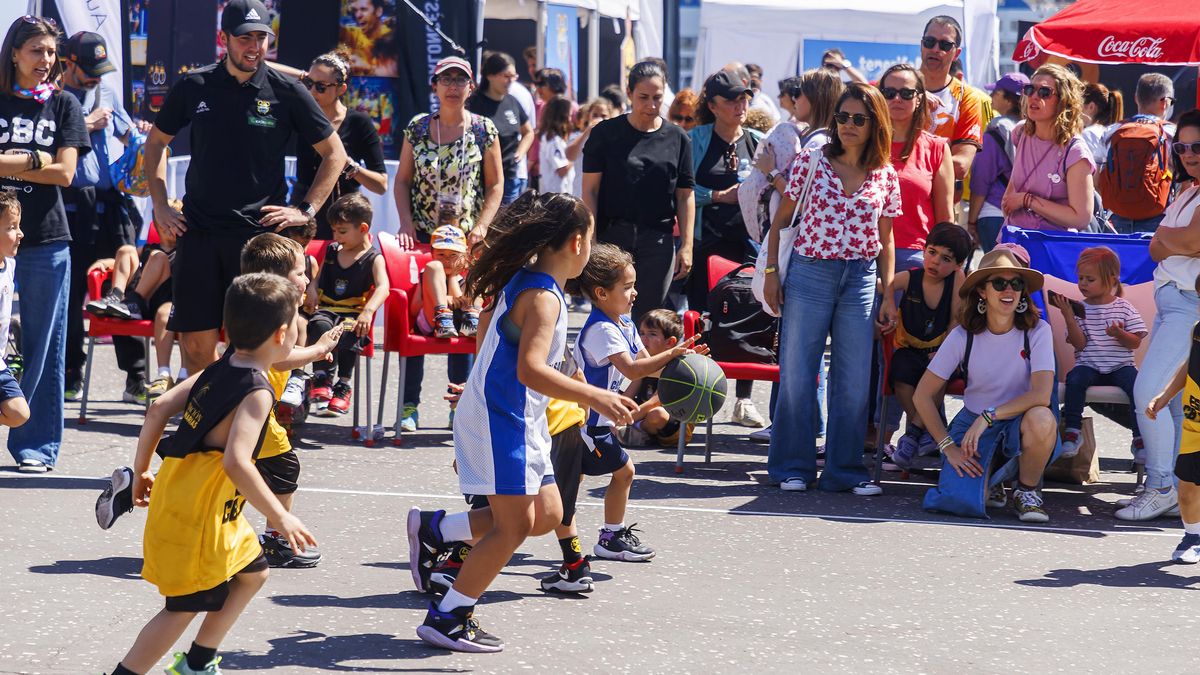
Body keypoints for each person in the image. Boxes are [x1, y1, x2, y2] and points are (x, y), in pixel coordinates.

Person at [406, 191, 638, 653]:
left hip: (522, 416)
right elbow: (530, 370)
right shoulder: (543, 297)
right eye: (591, 239)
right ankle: (450, 616)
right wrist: (594, 395)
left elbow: (495, 336)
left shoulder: (534, 281)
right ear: (576, 243)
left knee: (548, 513)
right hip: (503, 416)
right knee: (511, 528)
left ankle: (436, 529)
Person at [106, 273, 317, 675]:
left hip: (197, 500)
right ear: (282, 335)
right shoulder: (257, 392)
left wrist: (143, 471)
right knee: (184, 607)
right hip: (199, 514)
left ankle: (198, 662)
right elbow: (236, 461)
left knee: (253, 574)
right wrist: (280, 516)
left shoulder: (222, 366)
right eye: (296, 328)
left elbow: (158, 408)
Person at [145, 0, 347, 376]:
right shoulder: (194, 85)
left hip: (259, 239)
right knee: (196, 346)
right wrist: (160, 205)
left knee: (257, 345)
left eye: (261, 38)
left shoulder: (287, 90)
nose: (254, 47)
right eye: (244, 38)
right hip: (199, 231)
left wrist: (305, 210)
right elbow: (156, 143)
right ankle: (207, 411)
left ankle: (250, 412)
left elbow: (335, 154)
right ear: (224, 39)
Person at [762, 83, 901, 495]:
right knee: (798, 373)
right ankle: (792, 466)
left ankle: (845, 470)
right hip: (810, 272)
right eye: (842, 117)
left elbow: (887, 239)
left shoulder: (885, 173)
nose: (848, 125)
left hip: (861, 278)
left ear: (875, 123)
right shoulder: (812, 160)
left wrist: (888, 293)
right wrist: (771, 272)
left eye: (859, 118)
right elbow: (781, 220)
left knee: (854, 380)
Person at [569, 243, 702, 561]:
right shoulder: (602, 329)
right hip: (585, 425)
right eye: (627, 287)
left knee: (565, 487)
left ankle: (603, 537)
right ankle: (608, 537)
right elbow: (631, 369)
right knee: (622, 471)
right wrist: (671, 354)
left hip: (597, 425)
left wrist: (686, 364)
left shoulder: (625, 323)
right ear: (601, 293)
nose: (635, 293)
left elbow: (647, 364)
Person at [0, 15, 89, 473]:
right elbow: (50, 166)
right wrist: (37, 158)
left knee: (44, 345)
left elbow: (66, 173)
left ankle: (35, 446)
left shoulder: (64, 104)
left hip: (47, 240)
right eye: (36, 50)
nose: (46, 59)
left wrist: (8, 162)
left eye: (52, 52)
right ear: (14, 52)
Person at [395, 55, 500, 432]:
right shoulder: (418, 127)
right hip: (425, 237)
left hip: (467, 240)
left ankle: (460, 405)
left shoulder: (483, 129)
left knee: (463, 315)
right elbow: (403, 180)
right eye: (446, 79)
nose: (453, 86)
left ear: (471, 87)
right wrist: (406, 223)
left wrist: (483, 227)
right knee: (421, 317)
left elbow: (495, 185)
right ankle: (409, 406)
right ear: (435, 86)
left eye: (460, 80)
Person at [915, 246, 1058, 522]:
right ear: (982, 290)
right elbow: (922, 395)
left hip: (1018, 422)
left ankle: (1027, 492)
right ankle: (992, 482)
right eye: (999, 283)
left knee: (1042, 418)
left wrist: (989, 416)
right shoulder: (962, 335)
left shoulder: (1039, 330)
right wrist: (947, 446)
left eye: (1016, 283)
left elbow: (1041, 395)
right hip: (972, 426)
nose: (1009, 290)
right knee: (959, 502)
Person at [60, 30, 151, 404]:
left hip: (112, 206)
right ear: (69, 63)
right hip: (70, 208)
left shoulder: (107, 93)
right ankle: (70, 373)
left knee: (123, 290)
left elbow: (127, 132)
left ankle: (136, 377)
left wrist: (141, 136)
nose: (96, 78)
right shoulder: (54, 96)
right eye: (89, 70)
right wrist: (85, 123)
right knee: (70, 297)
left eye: (101, 69)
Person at [582, 60, 695, 321]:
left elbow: (685, 195)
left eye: (657, 97)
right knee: (608, 316)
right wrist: (591, 240)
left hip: (658, 241)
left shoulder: (678, 138)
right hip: (613, 238)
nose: (651, 105)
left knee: (649, 318)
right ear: (629, 93)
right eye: (643, 97)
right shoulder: (605, 134)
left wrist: (687, 245)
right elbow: (590, 191)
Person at [1130, 109, 1200, 521]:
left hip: (1188, 305)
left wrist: (1172, 239)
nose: (1189, 154)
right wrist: (1176, 240)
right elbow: (1159, 247)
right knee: (1170, 402)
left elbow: (1188, 240)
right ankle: (1172, 489)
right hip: (1171, 302)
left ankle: (1159, 486)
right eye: (1183, 146)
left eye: (1198, 146)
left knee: (1149, 392)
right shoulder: (1187, 191)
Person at [688, 70, 765, 427]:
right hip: (706, 245)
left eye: (744, 98)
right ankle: (699, 394)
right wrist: (717, 195)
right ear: (713, 105)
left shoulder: (757, 142)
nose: (740, 105)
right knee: (703, 320)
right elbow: (681, 190)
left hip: (748, 246)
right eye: (732, 100)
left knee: (749, 319)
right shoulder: (694, 140)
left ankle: (744, 401)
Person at [270, 49, 387, 241]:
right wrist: (303, 75)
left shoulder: (359, 122)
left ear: (341, 89)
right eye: (309, 84)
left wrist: (349, 166)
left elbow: (381, 185)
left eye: (321, 87)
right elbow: (262, 66)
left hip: (345, 215)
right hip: (304, 210)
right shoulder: (303, 115)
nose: (312, 92)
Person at [882, 222, 970, 469]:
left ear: (958, 265)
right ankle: (927, 431)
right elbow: (885, 284)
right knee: (900, 371)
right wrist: (888, 300)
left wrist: (944, 352)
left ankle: (913, 436)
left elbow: (955, 320)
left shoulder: (957, 279)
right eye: (932, 252)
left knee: (939, 371)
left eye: (946, 259)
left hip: (943, 350)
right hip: (911, 350)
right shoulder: (911, 277)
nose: (935, 262)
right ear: (924, 249)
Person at [1053, 246, 1146, 459]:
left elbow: (1135, 342)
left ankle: (1140, 438)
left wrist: (1119, 334)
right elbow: (1079, 344)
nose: (1083, 283)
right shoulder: (1079, 309)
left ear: (1111, 280)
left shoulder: (1124, 307)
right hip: (1089, 365)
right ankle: (1073, 431)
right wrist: (1068, 317)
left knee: (1137, 386)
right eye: (1081, 278)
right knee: (1075, 379)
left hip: (1121, 366)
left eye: (1090, 279)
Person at [304, 193, 388, 416]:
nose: (336, 236)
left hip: (352, 313)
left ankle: (343, 384)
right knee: (319, 325)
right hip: (326, 310)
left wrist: (368, 311)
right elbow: (317, 279)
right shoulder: (332, 251)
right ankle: (321, 377)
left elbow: (384, 287)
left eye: (342, 231)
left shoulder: (374, 258)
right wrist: (311, 288)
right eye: (333, 231)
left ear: (362, 228)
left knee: (350, 331)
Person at [84, 220, 179, 400]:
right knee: (126, 250)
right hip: (130, 305)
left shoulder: (183, 251)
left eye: (175, 224)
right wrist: (106, 262)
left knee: (159, 258)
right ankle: (116, 296)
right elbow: (122, 261)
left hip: (161, 303)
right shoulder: (149, 249)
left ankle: (133, 303)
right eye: (165, 224)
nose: (169, 228)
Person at [1001, 64, 1095, 233]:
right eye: (1030, 89)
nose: (1034, 97)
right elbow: (1012, 192)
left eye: (1044, 92)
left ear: (1063, 101)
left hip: (1051, 243)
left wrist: (1027, 200)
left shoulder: (1075, 151)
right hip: (1013, 237)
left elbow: (1081, 217)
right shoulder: (1021, 132)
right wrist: (1010, 201)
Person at [1145, 276, 1200, 563]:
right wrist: (1165, 395)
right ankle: (1193, 536)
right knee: (1187, 488)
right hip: (1195, 424)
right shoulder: (1197, 330)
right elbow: (1189, 364)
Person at [1098, 73, 1176, 233]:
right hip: (1159, 216)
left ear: (1136, 98)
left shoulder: (1112, 131)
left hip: (1117, 216)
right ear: (1165, 102)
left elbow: (1098, 178)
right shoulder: (1172, 133)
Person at [918, 16, 986, 199]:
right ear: (921, 45)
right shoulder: (895, 87)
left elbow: (960, 166)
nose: (935, 49)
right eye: (929, 42)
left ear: (956, 53)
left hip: (938, 204)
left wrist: (906, 166)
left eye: (945, 45)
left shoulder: (967, 97)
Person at [969, 73, 1027, 252]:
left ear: (1009, 100)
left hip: (994, 213)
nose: (991, 96)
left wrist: (971, 220)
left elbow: (981, 179)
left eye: (996, 92)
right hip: (1028, 214)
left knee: (996, 267)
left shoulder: (996, 130)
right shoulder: (1034, 129)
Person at [468, 52, 534, 204]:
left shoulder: (512, 102)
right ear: (490, 76)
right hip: (478, 179)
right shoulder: (474, 103)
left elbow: (529, 132)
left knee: (507, 219)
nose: (511, 81)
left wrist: (520, 153)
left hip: (509, 179)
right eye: (506, 76)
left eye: (514, 76)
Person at [626, 309, 695, 447]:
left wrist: (620, 421)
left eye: (652, 334)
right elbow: (628, 395)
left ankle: (635, 431)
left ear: (670, 342)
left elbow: (653, 403)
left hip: (673, 425)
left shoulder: (675, 367)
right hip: (643, 414)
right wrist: (614, 411)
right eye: (642, 333)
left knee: (657, 414)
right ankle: (636, 430)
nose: (643, 339)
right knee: (609, 395)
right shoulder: (645, 362)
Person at [411, 225, 480, 340]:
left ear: (464, 256)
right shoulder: (428, 273)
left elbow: (461, 305)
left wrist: (453, 275)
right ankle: (442, 318)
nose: (447, 260)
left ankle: (471, 321)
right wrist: (440, 300)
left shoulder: (462, 279)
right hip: (432, 321)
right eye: (441, 254)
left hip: (458, 325)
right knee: (434, 266)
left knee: (476, 273)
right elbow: (414, 309)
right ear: (432, 254)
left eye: (453, 255)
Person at [0, 193, 28, 430]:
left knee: (19, 413)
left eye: (18, 226)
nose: (20, 233)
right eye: (11, 227)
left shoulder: (10, 264)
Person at [567, 99, 611, 199]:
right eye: (595, 115)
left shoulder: (613, 138)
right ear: (588, 116)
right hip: (580, 193)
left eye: (604, 116)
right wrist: (587, 131)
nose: (599, 118)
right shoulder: (579, 137)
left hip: (604, 194)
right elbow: (569, 156)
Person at [340, 0, 396, 77]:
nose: (358, 15)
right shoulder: (354, 34)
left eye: (363, 9)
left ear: (378, 11)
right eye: (355, 10)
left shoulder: (392, 40)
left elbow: (393, 75)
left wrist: (367, 68)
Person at [536, 95, 575, 195]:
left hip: (554, 193)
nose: (570, 120)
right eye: (569, 115)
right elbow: (562, 170)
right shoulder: (554, 141)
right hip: (556, 195)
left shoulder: (552, 138)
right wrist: (575, 153)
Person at [1080, 82, 1123, 170]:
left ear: (1091, 107)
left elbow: (1090, 173)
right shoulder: (1107, 131)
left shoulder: (1088, 134)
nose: (1075, 109)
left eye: (1079, 104)